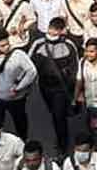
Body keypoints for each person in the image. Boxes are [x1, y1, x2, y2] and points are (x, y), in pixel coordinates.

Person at [28, 18, 81, 156]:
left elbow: (75, 69)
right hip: (45, 86)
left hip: (60, 89)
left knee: (58, 116)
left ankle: (63, 144)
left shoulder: (67, 45)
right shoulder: (39, 44)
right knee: (54, 111)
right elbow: (29, 64)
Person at [0, 29, 38, 141]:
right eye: (2, 45)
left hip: (16, 98)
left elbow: (32, 71)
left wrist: (19, 87)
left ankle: (23, 140)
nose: (7, 47)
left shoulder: (19, 55)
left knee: (20, 120)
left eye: (7, 44)